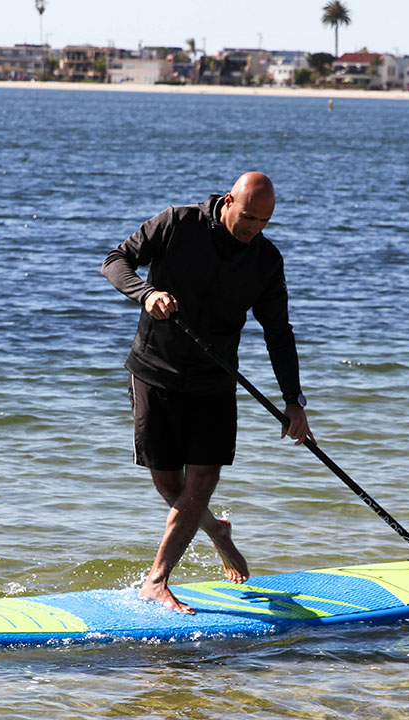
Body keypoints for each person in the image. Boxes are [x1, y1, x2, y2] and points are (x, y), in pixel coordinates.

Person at [101, 172, 314, 614]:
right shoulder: (178, 223)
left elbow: (278, 331)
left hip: (215, 381)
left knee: (203, 479)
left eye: (265, 223)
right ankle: (217, 530)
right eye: (249, 218)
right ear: (228, 201)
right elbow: (116, 260)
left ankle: (156, 581)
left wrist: (293, 401)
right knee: (169, 484)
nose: (255, 229)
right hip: (154, 371)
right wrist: (146, 293)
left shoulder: (266, 261)